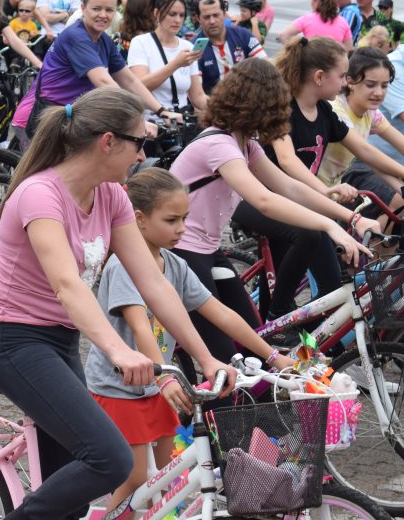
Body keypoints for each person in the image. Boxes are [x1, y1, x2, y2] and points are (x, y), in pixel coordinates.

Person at [0, 88, 235, 520]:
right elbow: (66, 284)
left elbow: (154, 283)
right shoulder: (41, 194)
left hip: (59, 343)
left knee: (72, 500)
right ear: (108, 142)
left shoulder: (112, 196)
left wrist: (207, 359)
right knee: (110, 459)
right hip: (11, 341)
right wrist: (117, 349)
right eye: (140, 143)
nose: (143, 155)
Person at [86, 168, 296, 513]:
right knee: (136, 478)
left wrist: (273, 356)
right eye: (171, 220)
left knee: (163, 477)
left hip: (159, 386)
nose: (181, 228)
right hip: (120, 387)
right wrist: (164, 376)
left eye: (184, 218)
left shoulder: (174, 264)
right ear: (137, 219)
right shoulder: (122, 265)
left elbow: (223, 314)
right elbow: (140, 328)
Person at [169, 56, 371, 356]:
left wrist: (351, 219)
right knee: (229, 356)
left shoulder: (245, 144)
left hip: (208, 250)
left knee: (258, 347)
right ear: (258, 105)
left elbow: (289, 187)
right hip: (183, 250)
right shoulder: (219, 145)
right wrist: (329, 225)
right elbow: (264, 200)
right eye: (276, 107)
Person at [15, 0, 179, 138]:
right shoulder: (77, 37)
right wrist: (135, 120)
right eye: (96, 9)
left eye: (109, 10)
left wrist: (161, 111)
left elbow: (128, 79)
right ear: (82, 8)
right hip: (41, 117)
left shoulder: (104, 40)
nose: (103, 15)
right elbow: (104, 82)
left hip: (67, 117)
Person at [319, 48, 404, 228]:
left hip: (335, 190)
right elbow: (365, 152)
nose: (379, 93)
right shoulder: (336, 108)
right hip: (315, 190)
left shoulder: (371, 113)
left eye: (384, 85)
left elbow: (399, 142)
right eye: (371, 84)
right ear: (349, 80)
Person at [126, 0, 208, 116]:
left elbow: (198, 96)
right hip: (152, 123)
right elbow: (139, 86)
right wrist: (175, 64)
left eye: (181, 15)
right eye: (172, 14)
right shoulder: (140, 42)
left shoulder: (187, 46)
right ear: (156, 13)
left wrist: (222, 109)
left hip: (181, 122)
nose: (177, 20)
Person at [195, 0, 264, 93]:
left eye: (216, 15)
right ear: (198, 18)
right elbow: (197, 95)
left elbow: (266, 65)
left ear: (224, 13)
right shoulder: (194, 48)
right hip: (211, 105)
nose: (212, 21)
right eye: (206, 17)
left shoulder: (243, 35)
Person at [277, 0, 352, 52]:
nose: (311, 3)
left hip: (310, 62)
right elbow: (349, 49)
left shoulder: (306, 19)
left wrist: (297, 51)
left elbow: (283, 36)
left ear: (317, 2)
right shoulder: (343, 22)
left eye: (312, 0)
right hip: (333, 63)